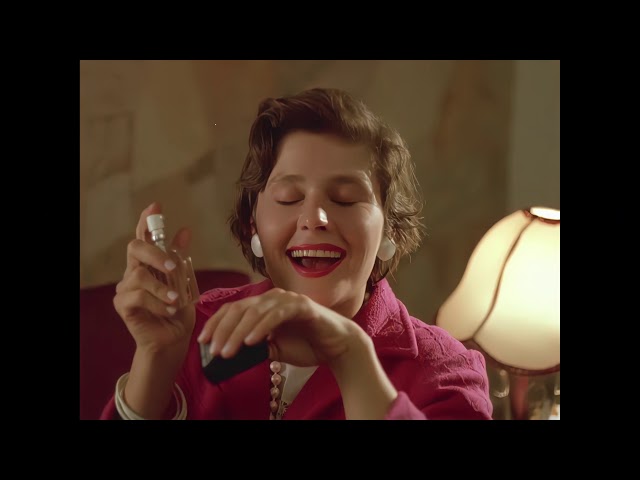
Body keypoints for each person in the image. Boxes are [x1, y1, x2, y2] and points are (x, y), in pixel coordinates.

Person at [101, 87, 493, 420]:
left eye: (345, 198)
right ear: (252, 225)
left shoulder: (445, 370)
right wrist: (156, 359)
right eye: (289, 197)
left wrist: (351, 355)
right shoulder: (198, 329)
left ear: (390, 228)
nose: (315, 218)